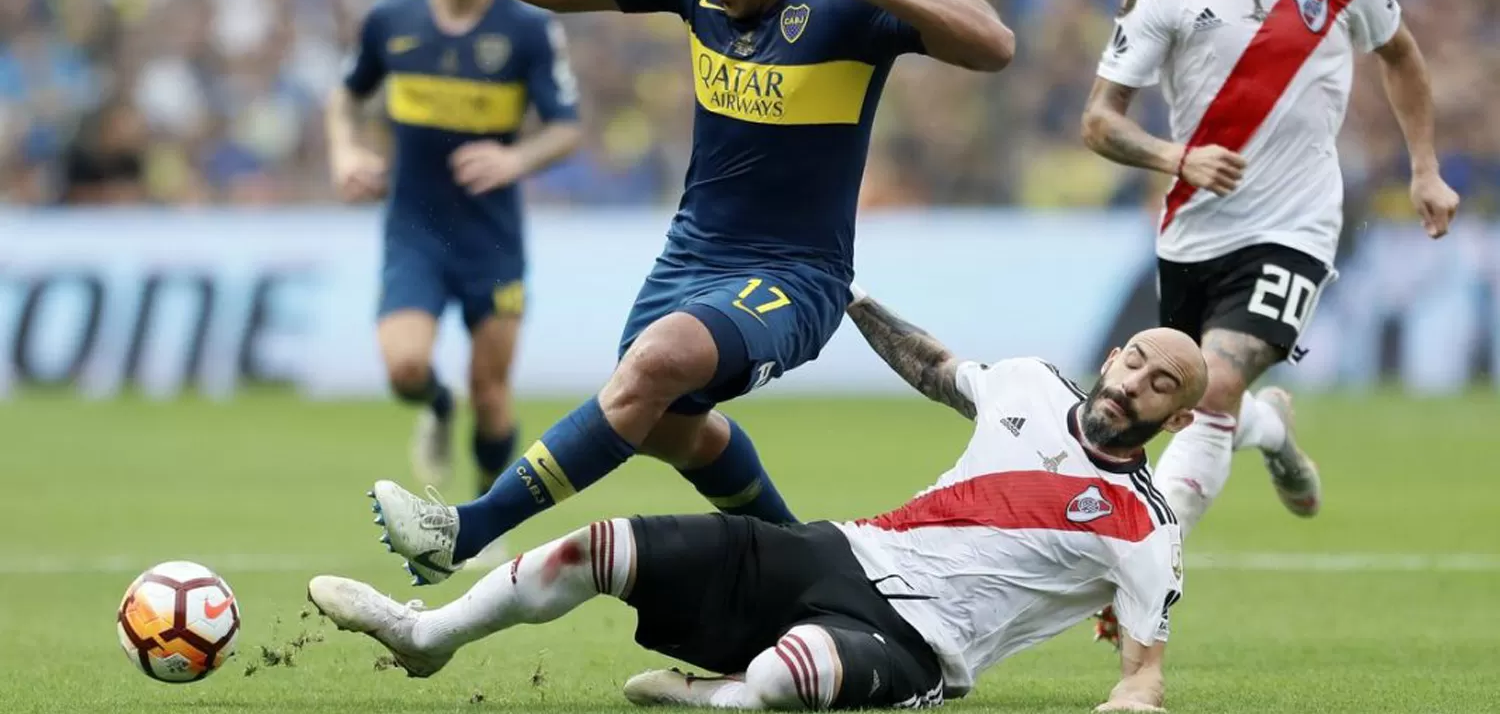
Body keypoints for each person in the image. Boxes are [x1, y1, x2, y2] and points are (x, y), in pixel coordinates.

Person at [367, 0, 1015, 586]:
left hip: (795, 276)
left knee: (656, 367)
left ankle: (462, 529)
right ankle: (811, 572)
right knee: (670, 425)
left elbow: (994, 44)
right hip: (688, 260)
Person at [309, 287, 1207, 712]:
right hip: (839, 553)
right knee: (603, 546)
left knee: (790, 676)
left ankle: (711, 698)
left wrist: (1130, 701)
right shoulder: (1028, 383)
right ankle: (426, 636)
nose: (1133, 385)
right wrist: (844, 291)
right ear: (1116, 351)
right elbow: (934, 365)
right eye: (1134, 361)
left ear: (1172, 416)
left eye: (1160, 385)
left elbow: (1144, 675)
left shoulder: (1144, 528)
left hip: (918, 650)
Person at [1080, 0, 1461, 539]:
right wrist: (1176, 158)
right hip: (1191, 233)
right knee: (1180, 403)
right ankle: (1273, 431)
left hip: (1296, 228)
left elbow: (1403, 56)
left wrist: (1425, 169)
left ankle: (1147, 558)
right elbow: (1100, 120)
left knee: (1215, 381)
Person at [325, 0, 583, 503]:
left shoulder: (526, 30)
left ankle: (486, 513)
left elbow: (567, 129)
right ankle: (437, 407)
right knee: (405, 368)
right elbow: (345, 96)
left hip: (490, 238)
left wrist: (513, 157)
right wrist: (345, 152)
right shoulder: (393, 20)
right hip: (414, 230)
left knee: (492, 396)